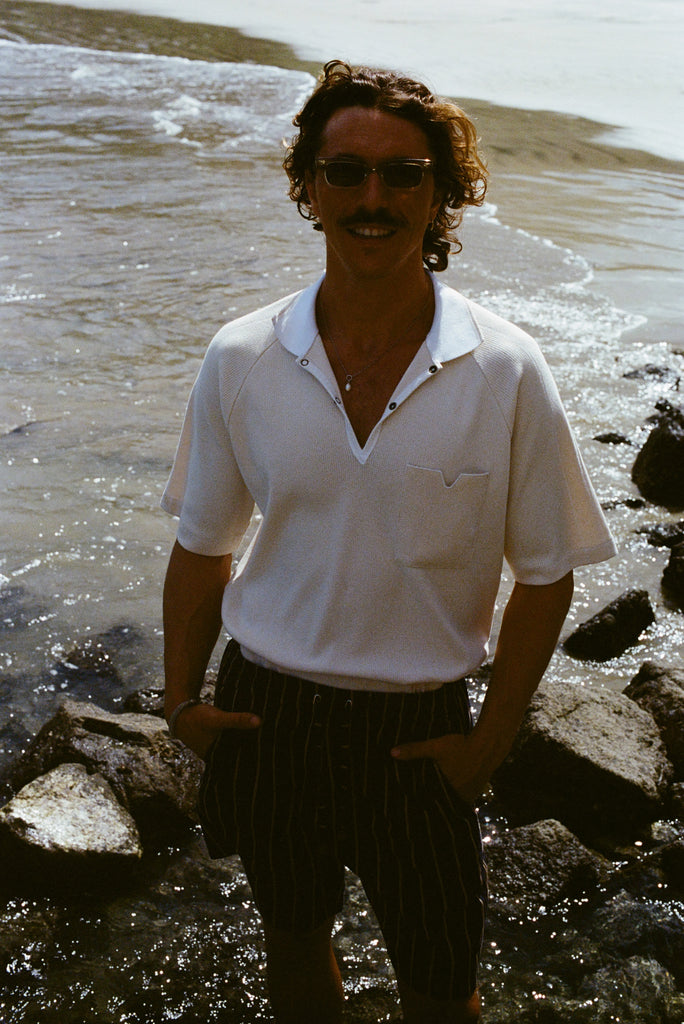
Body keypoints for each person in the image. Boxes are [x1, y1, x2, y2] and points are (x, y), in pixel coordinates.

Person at [161, 60, 616, 1024]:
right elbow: (204, 545)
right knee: (293, 944)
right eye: (347, 171)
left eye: (404, 174)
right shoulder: (243, 354)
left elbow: (546, 574)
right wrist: (179, 700)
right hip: (268, 713)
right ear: (309, 186)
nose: (374, 197)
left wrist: (489, 742)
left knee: (443, 982)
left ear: (443, 194)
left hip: (421, 730)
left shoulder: (504, 368)